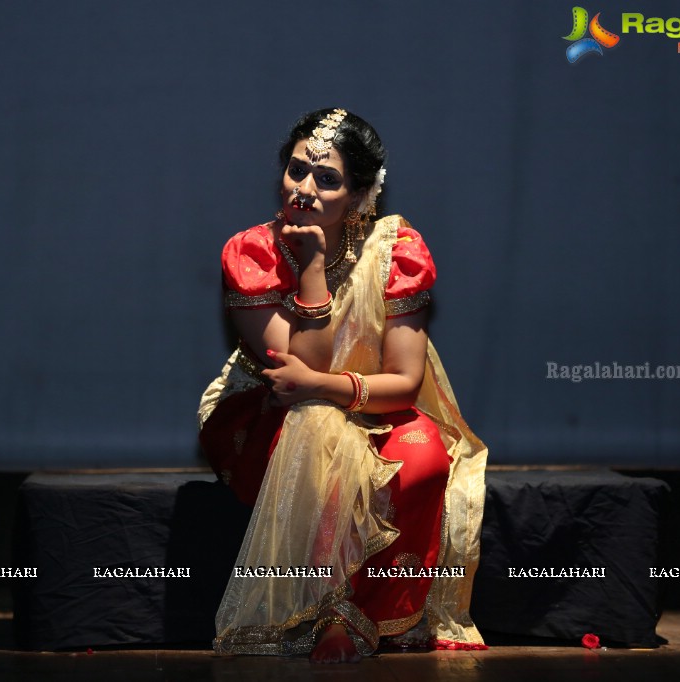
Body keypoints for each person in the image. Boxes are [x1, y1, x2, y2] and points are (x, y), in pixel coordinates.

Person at [198, 108, 488, 663]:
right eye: (296, 169)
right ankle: (324, 616)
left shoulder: (393, 250)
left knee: (425, 461)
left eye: (326, 179)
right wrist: (311, 267)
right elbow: (297, 370)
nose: (303, 189)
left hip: (373, 400)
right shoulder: (254, 253)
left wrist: (330, 386)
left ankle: (374, 617)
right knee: (320, 432)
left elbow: (404, 381)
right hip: (270, 413)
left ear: (358, 196)